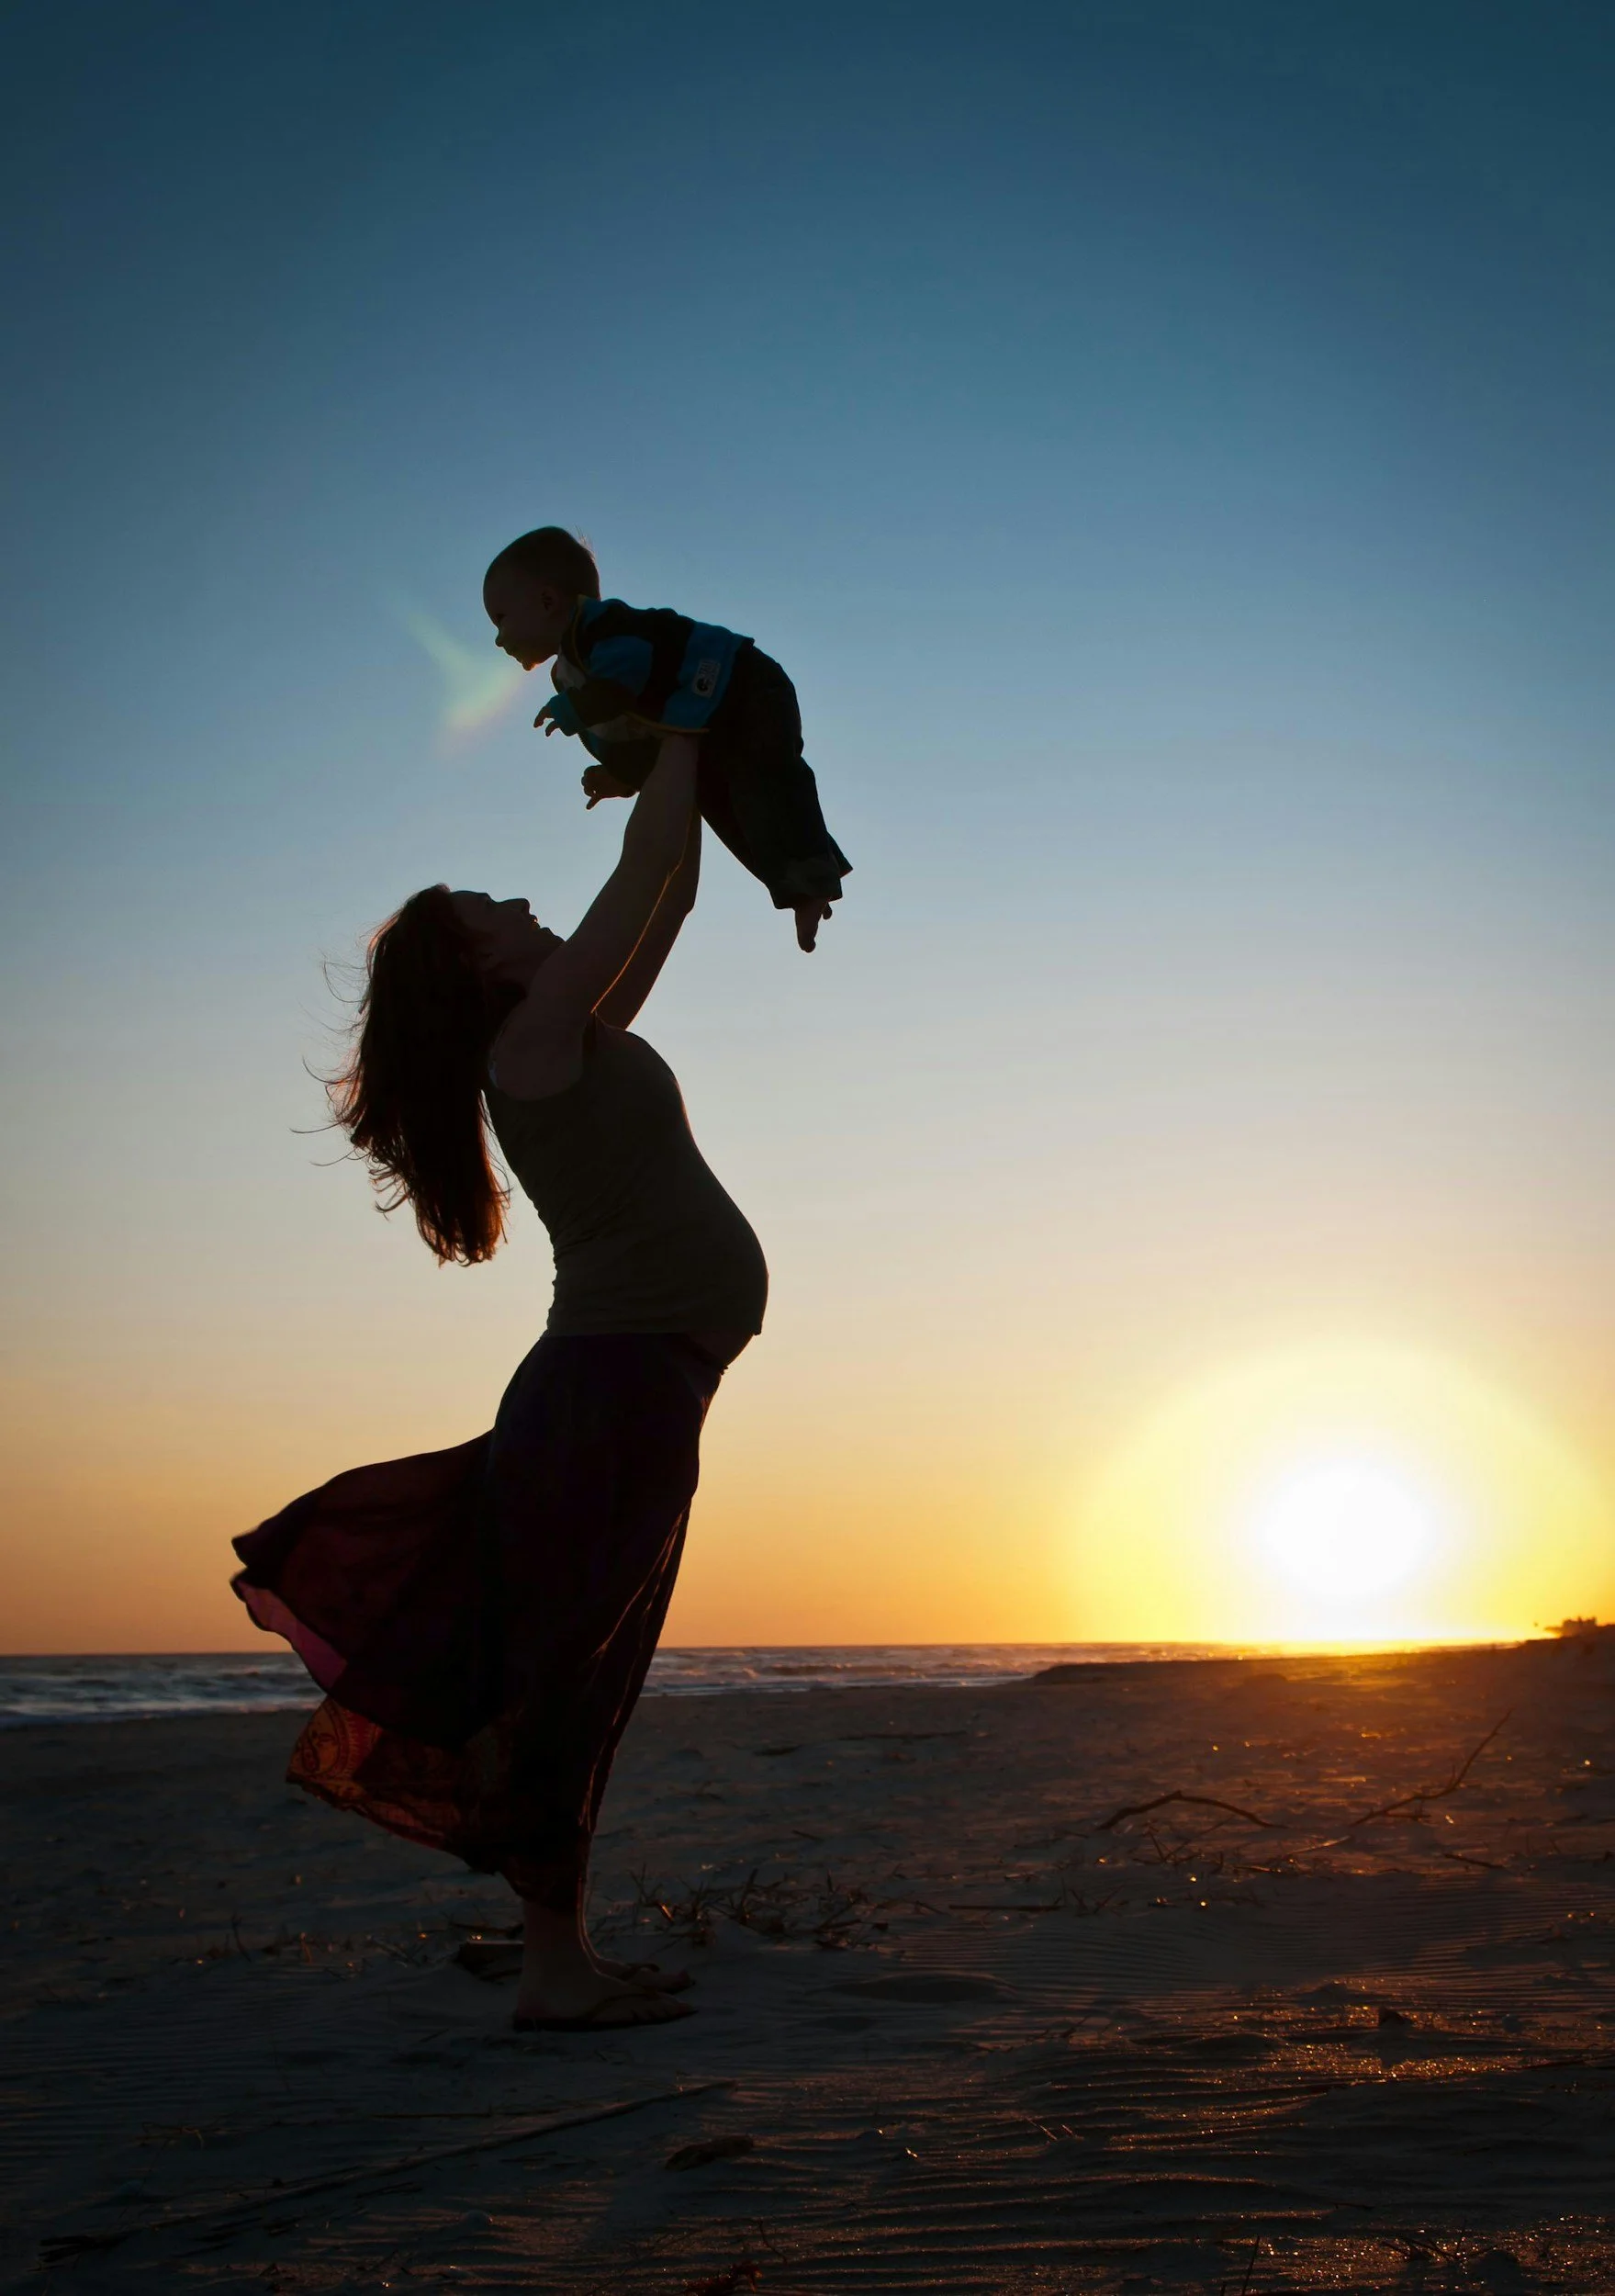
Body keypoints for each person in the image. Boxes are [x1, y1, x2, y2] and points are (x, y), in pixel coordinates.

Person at [232, 735, 765, 2030]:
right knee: (564, 1673)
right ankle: (551, 1973)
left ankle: (551, 1946)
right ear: (473, 965)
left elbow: (671, 890)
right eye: (491, 910)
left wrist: (673, 774)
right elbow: (638, 873)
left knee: (580, 1666)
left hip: (634, 1387)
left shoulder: (569, 1034)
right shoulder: (527, 1047)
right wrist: (682, 729)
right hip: (612, 1390)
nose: (520, 905)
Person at [483, 525, 851, 953]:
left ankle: (811, 878)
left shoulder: (602, 627)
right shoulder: (569, 676)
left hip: (742, 685)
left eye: (501, 618)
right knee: (721, 803)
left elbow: (629, 675)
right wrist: (622, 776)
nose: (498, 637)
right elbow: (631, 734)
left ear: (547, 601)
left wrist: (580, 708)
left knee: (766, 780)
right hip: (702, 726)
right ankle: (798, 889)